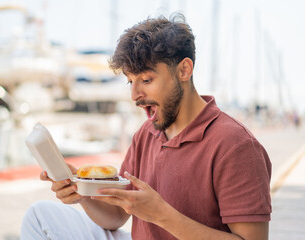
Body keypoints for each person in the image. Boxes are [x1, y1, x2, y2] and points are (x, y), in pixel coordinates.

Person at [21, 13, 272, 240]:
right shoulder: (147, 132)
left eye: (146, 79)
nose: (135, 94)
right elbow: (117, 217)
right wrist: (83, 193)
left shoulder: (236, 146)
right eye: (130, 81)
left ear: (184, 70)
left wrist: (162, 215)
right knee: (40, 215)